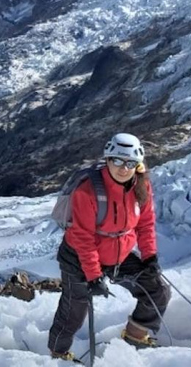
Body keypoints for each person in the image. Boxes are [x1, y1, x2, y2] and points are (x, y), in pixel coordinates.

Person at [48, 133, 170, 360]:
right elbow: (83, 236)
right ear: (108, 159)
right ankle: (58, 354)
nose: (123, 168)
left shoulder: (141, 186)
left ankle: (135, 336)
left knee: (157, 291)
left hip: (118, 255)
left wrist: (149, 256)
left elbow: (145, 223)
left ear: (138, 164)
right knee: (74, 310)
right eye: (117, 161)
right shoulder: (88, 190)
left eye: (130, 163)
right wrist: (93, 276)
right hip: (78, 257)